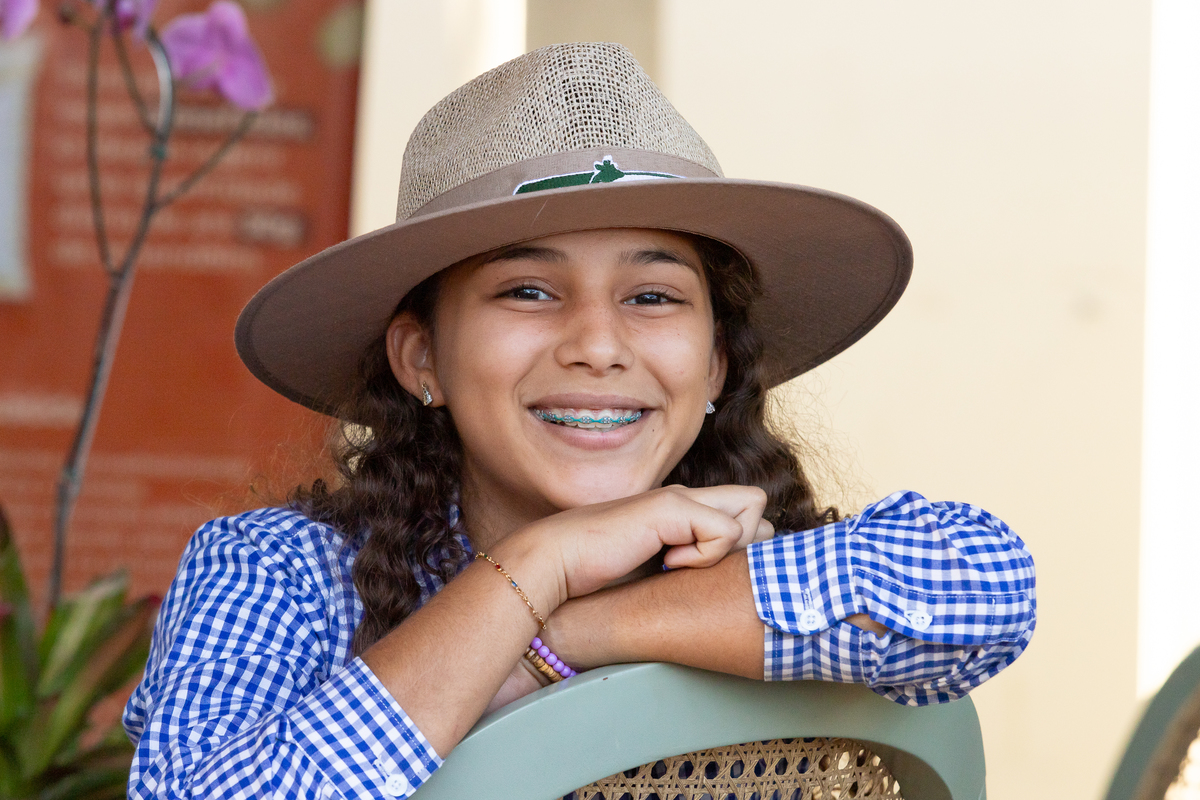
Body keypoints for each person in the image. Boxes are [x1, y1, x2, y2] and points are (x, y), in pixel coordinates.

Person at [124, 42, 1036, 799]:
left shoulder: (755, 563)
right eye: (527, 290)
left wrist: (560, 637)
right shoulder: (283, 577)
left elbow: (983, 584)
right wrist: (535, 567)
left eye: (651, 295)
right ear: (422, 361)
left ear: (713, 365)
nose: (598, 345)